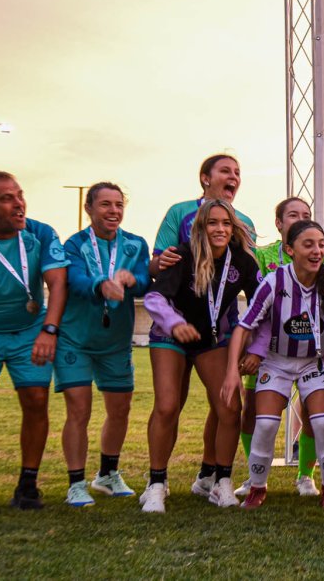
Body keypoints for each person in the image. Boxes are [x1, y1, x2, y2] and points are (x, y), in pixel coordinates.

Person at [140, 199, 260, 513]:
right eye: (212, 223)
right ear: (200, 226)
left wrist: (257, 349)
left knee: (230, 406)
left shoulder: (243, 262)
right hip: (171, 335)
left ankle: (221, 481)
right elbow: (153, 297)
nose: (219, 229)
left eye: (226, 223)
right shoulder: (182, 254)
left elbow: (264, 302)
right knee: (167, 406)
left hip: (211, 339)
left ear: (234, 228)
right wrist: (174, 323)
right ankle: (156, 484)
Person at [223, 220, 324, 510]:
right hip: (277, 362)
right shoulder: (274, 281)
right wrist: (232, 371)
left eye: (320, 243)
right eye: (308, 244)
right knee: (265, 424)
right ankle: (257, 488)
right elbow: (244, 327)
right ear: (290, 250)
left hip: (313, 362)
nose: (317, 250)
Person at [55, 182, 150, 507]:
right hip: (76, 339)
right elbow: (74, 279)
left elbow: (145, 280)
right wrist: (101, 283)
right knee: (79, 409)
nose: (113, 211)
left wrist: (133, 280)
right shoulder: (74, 244)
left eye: (118, 205)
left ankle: (107, 474)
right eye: (105, 205)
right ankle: (76, 483)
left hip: (115, 342)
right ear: (89, 209)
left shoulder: (136, 244)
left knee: (120, 409)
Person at [0, 171, 68, 509]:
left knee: (35, 400)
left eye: (20, 195)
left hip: (29, 330)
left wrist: (49, 329)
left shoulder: (41, 233)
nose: (19, 204)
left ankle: (28, 485)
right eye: (6, 198)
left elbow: (58, 284)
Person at [242, 196, 319, 499]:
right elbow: (257, 305)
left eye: (306, 214)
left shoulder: (319, 256)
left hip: (310, 352)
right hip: (267, 351)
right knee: (252, 410)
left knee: (314, 410)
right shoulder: (262, 257)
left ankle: (305, 476)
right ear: (278, 223)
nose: (299, 218)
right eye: (292, 215)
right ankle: (254, 476)